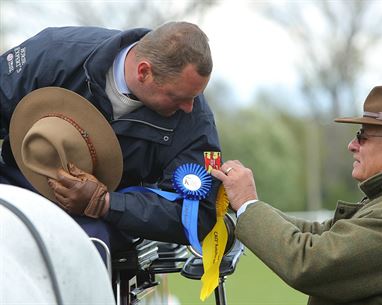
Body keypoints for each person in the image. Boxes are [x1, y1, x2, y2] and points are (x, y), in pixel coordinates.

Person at [211, 85, 382, 305]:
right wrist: (244, 206)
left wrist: (248, 205)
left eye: (362, 136)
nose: (352, 145)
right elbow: (320, 233)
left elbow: (309, 263)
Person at [0, 22, 221, 251]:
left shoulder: (196, 120)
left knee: (84, 249)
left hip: (102, 218)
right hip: (15, 181)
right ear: (144, 72)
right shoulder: (55, 52)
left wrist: (105, 203)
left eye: (196, 95)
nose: (189, 107)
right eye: (177, 97)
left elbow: (199, 215)